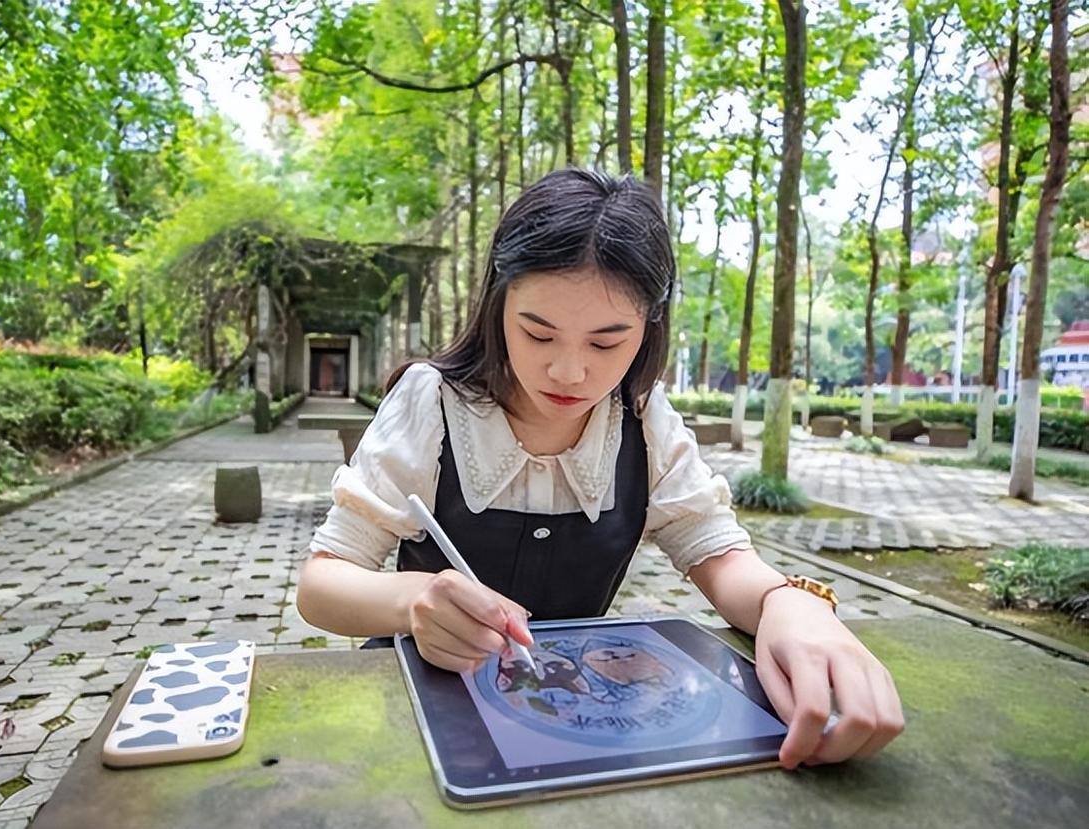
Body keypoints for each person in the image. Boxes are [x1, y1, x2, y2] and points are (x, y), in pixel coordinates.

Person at [297, 168, 903, 770]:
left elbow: (719, 556)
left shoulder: (640, 421)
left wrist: (790, 604)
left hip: (575, 726)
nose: (568, 372)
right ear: (498, 303)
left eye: (606, 343)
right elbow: (321, 587)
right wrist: (415, 600)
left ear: (648, 329)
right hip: (421, 721)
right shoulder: (432, 403)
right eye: (538, 334)